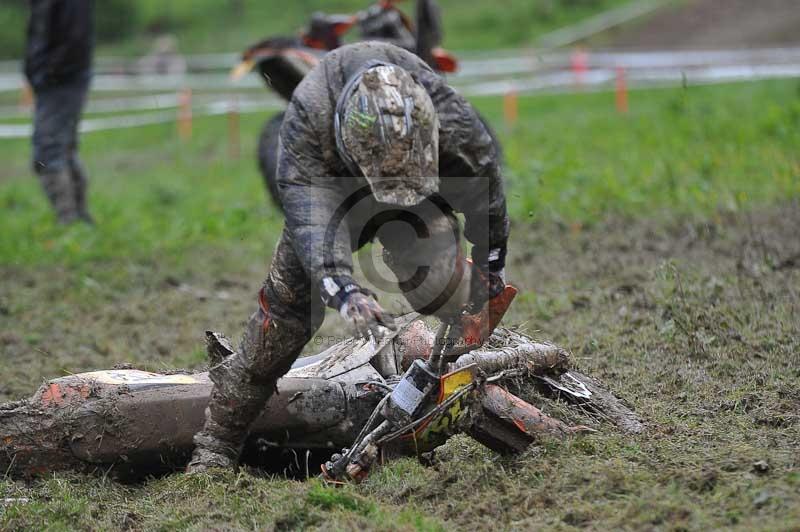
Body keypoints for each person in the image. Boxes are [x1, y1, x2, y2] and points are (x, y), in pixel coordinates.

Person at [188, 41, 509, 472]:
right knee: (283, 322)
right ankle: (217, 444)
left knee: (441, 285)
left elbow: (484, 186)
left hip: (421, 196)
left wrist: (491, 263)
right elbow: (313, 226)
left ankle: (469, 363)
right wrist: (345, 291)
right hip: (332, 197)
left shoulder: (452, 119)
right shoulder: (308, 120)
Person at [24, 0, 95, 224]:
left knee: (49, 150)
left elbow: (75, 37)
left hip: (61, 78)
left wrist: (47, 73)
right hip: (56, 77)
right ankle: (78, 219)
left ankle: (69, 220)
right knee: (62, 148)